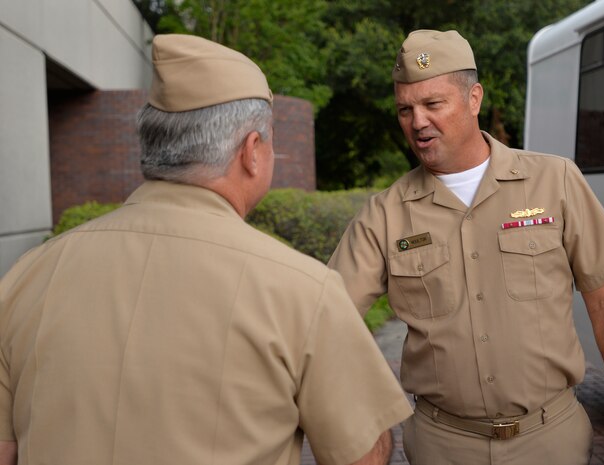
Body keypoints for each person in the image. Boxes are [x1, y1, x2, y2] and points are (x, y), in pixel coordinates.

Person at [0, 34, 412, 465]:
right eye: (271, 140)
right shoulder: (302, 291)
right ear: (252, 152)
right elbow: (362, 456)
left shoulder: (27, 276)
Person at [328, 29, 604, 465]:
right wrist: (361, 420)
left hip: (552, 440)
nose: (417, 121)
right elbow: (326, 324)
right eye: (405, 109)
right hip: (441, 446)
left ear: (474, 98)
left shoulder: (554, 181)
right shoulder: (383, 214)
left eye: (432, 104)